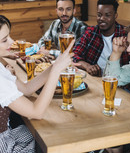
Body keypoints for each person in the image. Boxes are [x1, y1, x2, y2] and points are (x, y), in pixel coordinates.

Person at [0, 15, 75, 152]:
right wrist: (56, 71)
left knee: (49, 132)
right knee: (53, 138)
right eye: (4, 40)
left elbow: (27, 89)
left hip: (7, 134)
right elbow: (36, 112)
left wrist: (54, 66)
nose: (12, 42)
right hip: (3, 145)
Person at [73, 0, 130, 77]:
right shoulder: (90, 32)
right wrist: (87, 66)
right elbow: (74, 55)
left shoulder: (126, 35)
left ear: (115, 16)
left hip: (121, 84)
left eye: (107, 15)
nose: (102, 19)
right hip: (96, 80)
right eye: (99, 15)